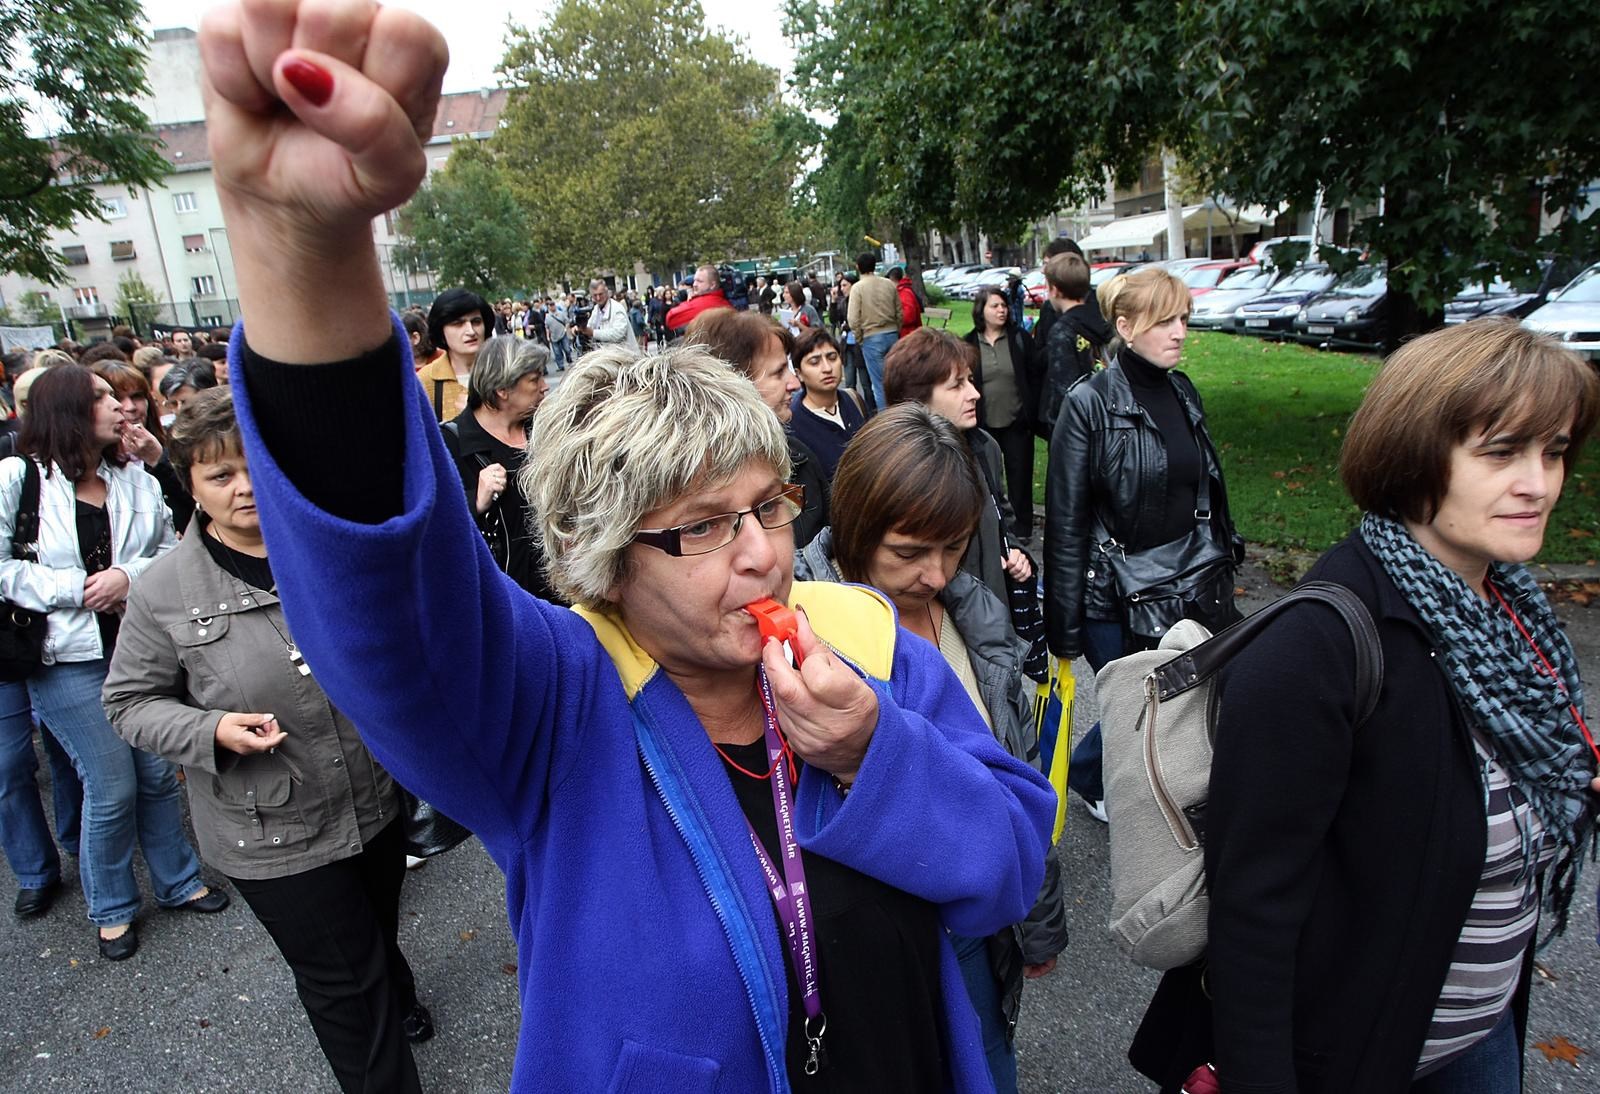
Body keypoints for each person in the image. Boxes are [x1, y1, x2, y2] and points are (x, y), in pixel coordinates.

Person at [198, 4, 1053, 1086]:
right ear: (600, 560)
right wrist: (302, 247)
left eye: (770, 506)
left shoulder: (866, 644)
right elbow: (392, 604)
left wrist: (873, 748)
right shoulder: (557, 701)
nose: (761, 557)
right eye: (699, 526)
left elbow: (1009, 865)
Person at [1131, 318, 1600, 1094]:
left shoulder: (1507, 608)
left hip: (1478, 1035)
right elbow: (1255, 914)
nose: (1540, 483)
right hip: (1357, 1059)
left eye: (1552, 451)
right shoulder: (1320, 646)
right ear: (1414, 455)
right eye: (1502, 452)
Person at [103, 387, 433, 1092]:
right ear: (189, 483)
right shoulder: (163, 590)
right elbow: (129, 702)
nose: (244, 487)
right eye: (220, 475)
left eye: (254, 466)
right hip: (271, 831)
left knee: (373, 934)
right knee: (344, 988)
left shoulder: (330, 549)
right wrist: (208, 729)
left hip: (371, 800)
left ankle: (395, 991)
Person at [793, 404, 1068, 1094]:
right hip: (872, 950)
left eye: (953, 546)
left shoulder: (977, 616)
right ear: (856, 528)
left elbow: (1017, 769)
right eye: (911, 552)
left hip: (977, 926)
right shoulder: (804, 629)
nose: (937, 574)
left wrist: (1036, 919)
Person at [0, 365, 222, 960]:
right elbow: (3, 565)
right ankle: (113, 908)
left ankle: (179, 881)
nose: (120, 407)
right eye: (101, 397)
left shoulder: (132, 476)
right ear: (67, 409)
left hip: (135, 648)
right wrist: (76, 587)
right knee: (110, 783)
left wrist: (127, 576)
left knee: (154, 775)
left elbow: (169, 548)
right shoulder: (17, 478)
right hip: (64, 659)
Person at [1043, 266, 1243, 822]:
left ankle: (1103, 773)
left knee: (1171, 695)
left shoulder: (1182, 390)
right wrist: (1064, 628)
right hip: (1115, 592)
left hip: (1185, 577)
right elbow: (1065, 521)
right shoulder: (1089, 405)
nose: (1179, 332)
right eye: (1165, 321)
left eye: (1183, 318)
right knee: (1141, 701)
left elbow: (1202, 482)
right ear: (1126, 327)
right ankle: (1110, 788)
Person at [885, 328, 1034, 611]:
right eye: (957, 385)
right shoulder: (895, 468)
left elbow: (1002, 515)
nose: (975, 394)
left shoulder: (984, 447)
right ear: (917, 398)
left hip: (993, 613)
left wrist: (1016, 551)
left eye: (971, 381)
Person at [686, 308, 829, 548]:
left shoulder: (799, 458)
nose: (794, 383)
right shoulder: (687, 487)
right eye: (779, 372)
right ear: (736, 384)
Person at [441, 335, 557, 601]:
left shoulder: (543, 428)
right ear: (502, 390)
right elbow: (435, 527)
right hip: (505, 602)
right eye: (534, 379)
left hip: (561, 596)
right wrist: (474, 501)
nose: (544, 386)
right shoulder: (451, 443)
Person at [964, 286, 1038, 538]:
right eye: (994, 306)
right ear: (981, 310)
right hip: (984, 424)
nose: (1001, 310)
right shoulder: (970, 343)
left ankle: (1023, 528)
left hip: (1017, 421)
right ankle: (995, 529)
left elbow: (1033, 375)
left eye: (1004, 305)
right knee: (989, 479)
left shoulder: (1019, 338)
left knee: (1020, 477)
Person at [89, 360, 195, 532]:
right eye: (117, 397)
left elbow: (203, 501)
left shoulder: (180, 441)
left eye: (137, 396)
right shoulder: (91, 467)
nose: (129, 407)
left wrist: (159, 459)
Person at [1037, 251, 1112, 435]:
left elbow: (1064, 390)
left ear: (1054, 290)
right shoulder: (1103, 321)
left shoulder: (1062, 331)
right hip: (1107, 416)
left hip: (1076, 428)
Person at [784, 328, 866, 483]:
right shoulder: (793, 424)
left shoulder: (853, 399)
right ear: (798, 373)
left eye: (832, 357)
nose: (827, 368)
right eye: (814, 362)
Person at [419, 288, 492, 422]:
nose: (470, 331)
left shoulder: (507, 370)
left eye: (476, 321)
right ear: (441, 331)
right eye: (458, 324)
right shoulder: (426, 382)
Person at [846, 253, 901, 411]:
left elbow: (853, 318)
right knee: (895, 379)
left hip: (871, 336)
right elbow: (899, 311)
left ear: (858, 267)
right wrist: (896, 328)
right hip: (892, 333)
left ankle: (887, 420)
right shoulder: (889, 284)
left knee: (879, 384)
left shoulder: (858, 288)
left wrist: (859, 338)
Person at [665, 264, 732, 335]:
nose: (694, 284)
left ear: (712, 285)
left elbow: (671, 318)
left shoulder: (706, 303)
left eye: (699, 281)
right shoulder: (725, 302)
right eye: (694, 280)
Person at [575, 278, 638, 351]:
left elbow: (618, 334)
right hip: (606, 356)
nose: (598, 298)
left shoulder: (617, 308)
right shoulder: (596, 309)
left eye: (600, 294)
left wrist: (593, 332)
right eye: (595, 295)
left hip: (624, 356)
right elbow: (589, 326)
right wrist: (580, 329)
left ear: (607, 292)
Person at [889, 266, 923, 336]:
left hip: (908, 334)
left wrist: (892, 320)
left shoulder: (904, 292)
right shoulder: (902, 291)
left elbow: (909, 317)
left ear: (892, 279)